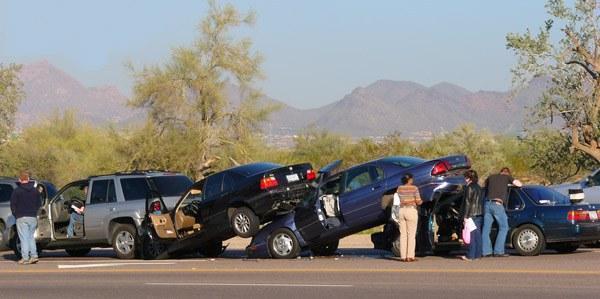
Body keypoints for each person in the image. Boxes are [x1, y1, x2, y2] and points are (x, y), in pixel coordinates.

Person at [482, 167, 522, 257]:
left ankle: (486, 252)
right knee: (504, 227)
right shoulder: (507, 177)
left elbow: (485, 185)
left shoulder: (491, 177)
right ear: (507, 173)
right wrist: (509, 183)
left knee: (486, 229)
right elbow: (519, 184)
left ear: (500, 172)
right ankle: (498, 251)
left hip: (487, 204)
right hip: (497, 205)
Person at [9, 170, 42, 265]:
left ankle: (25, 258)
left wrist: (16, 214)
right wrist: (34, 212)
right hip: (32, 217)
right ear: (28, 179)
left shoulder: (17, 191)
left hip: (21, 217)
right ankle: (34, 256)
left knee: (23, 238)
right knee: (31, 237)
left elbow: (13, 205)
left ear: (20, 179)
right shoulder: (35, 191)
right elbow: (39, 204)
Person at [394, 173, 422, 262]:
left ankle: (403, 256)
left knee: (403, 235)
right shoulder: (414, 188)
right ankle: (410, 256)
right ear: (409, 180)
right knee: (411, 235)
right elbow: (418, 201)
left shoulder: (399, 188)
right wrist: (421, 201)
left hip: (402, 211)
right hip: (411, 210)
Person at [460, 170, 483, 261]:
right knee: (477, 235)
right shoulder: (479, 187)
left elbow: (468, 203)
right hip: (479, 213)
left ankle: (470, 255)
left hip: (471, 214)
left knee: (471, 235)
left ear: (468, 178)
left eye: (465, 177)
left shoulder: (469, 188)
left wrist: (465, 216)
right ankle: (478, 254)